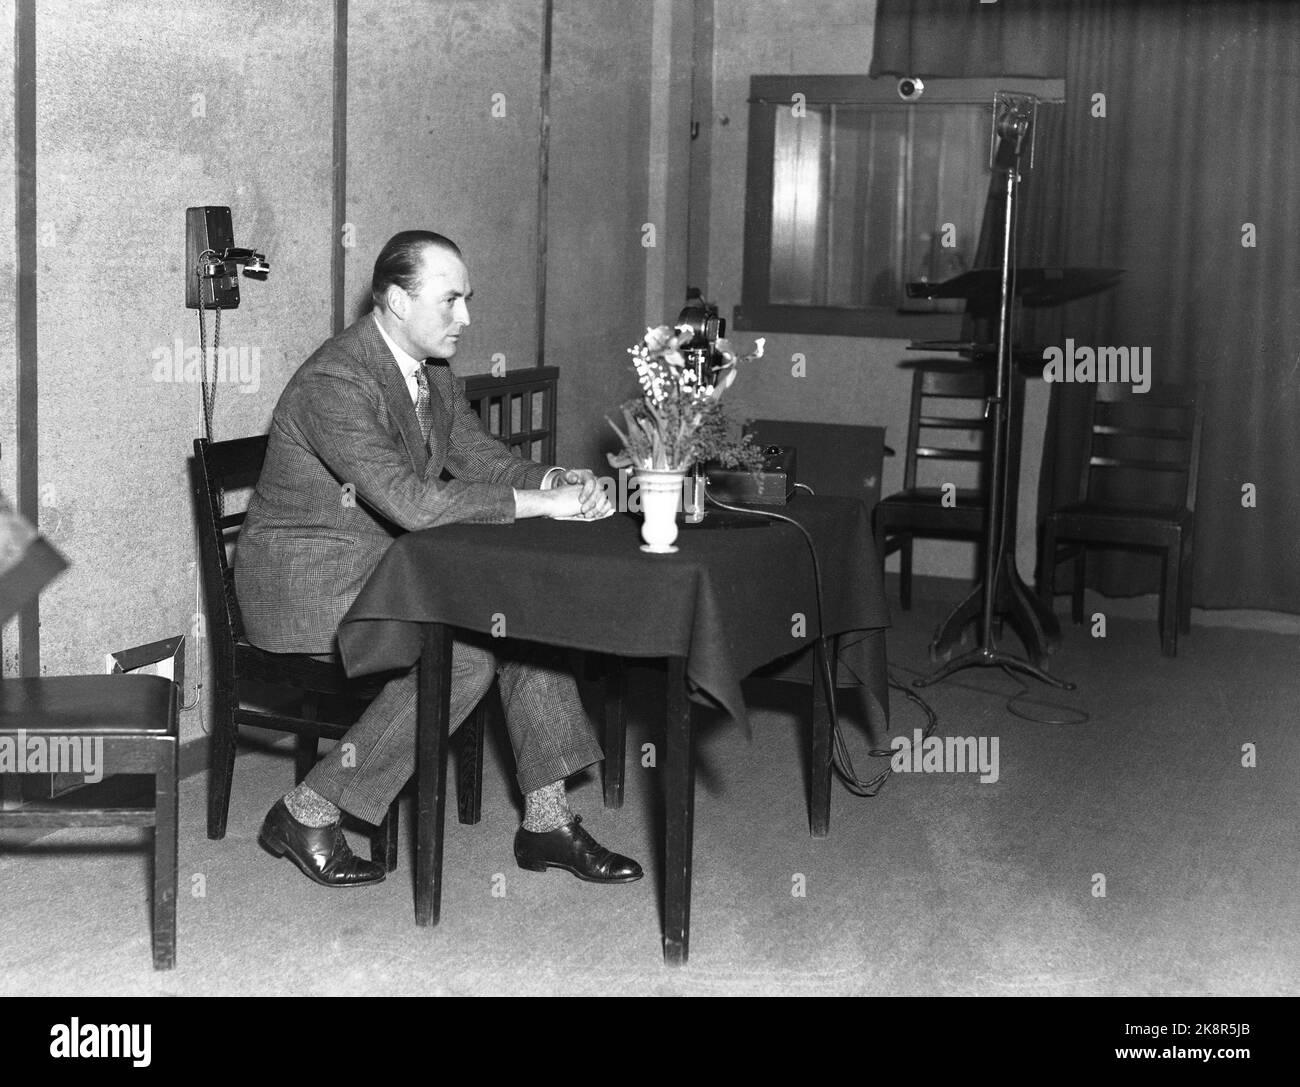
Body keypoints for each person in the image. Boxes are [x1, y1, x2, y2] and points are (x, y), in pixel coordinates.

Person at [234, 230, 640, 888]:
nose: (467, 317)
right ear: (396, 299)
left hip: (385, 565)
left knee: (520, 611)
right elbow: (413, 504)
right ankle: (306, 808)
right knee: (470, 654)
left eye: (467, 300)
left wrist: (554, 481)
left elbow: (486, 461)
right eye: (450, 300)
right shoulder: (334, 380)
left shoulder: (432, 373)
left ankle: (547, 821)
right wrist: (542, 507)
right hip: (310, 586)